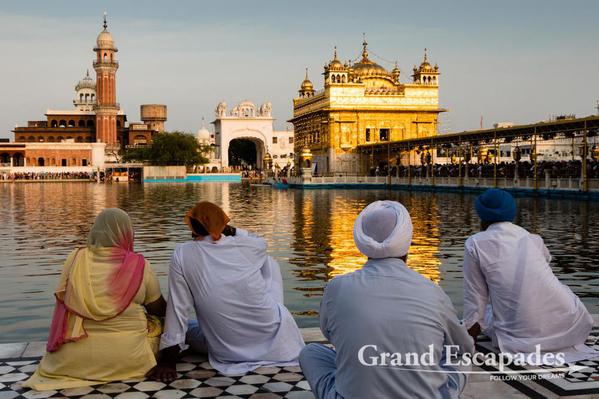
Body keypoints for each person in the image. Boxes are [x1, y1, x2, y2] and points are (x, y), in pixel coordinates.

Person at [299, 200, 473, 399]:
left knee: (311, 353)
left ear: (362, 241)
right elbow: (463, 347)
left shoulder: (337, 287)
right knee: (457, 357)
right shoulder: (432, 291)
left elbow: (331, 334)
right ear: (407, 240)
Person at [149, 202, 304, 381]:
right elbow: (260, 242)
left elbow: (178, 308)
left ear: (192, 228)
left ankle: (177, 342)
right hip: (278, 342)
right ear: (224, 224)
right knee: (269, 262)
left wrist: (168, 361)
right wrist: (232, 231)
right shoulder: (248, 247)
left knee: (191, 330)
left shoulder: (182, 254)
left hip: (227, 350)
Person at [24, 208, 166, 390]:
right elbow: (159, 310)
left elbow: (63, 302)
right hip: (129, 357)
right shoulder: (140, 265)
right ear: (127, 233)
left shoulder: (74, 259)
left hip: (68, 361)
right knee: (162, 324)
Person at [463, 188, 596, 362]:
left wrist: (467, 344)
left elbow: (475, 299)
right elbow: (540, 269)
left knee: (488, 315)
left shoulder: (475, 243)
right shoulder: (532, 237)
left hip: (521, 334)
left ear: (481, 215)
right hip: (570, 322)